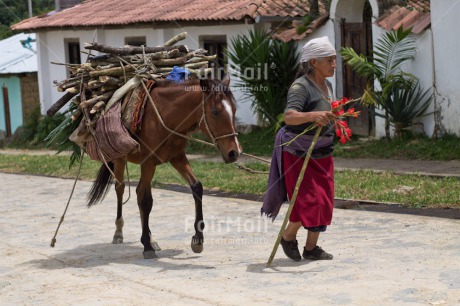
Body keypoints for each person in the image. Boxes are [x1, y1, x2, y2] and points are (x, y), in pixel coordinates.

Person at [261, 36, 337, 261]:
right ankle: (288, 236)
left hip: (323, 152)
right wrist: (313, 116)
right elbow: (290, 116)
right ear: (314, 62)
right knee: (309, 202)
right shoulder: (300, 87)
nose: (334, 64)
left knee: (324, 201)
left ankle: (311, 248)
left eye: (334, 60)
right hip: (299, 153)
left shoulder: (328, 85)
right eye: (329, 60)